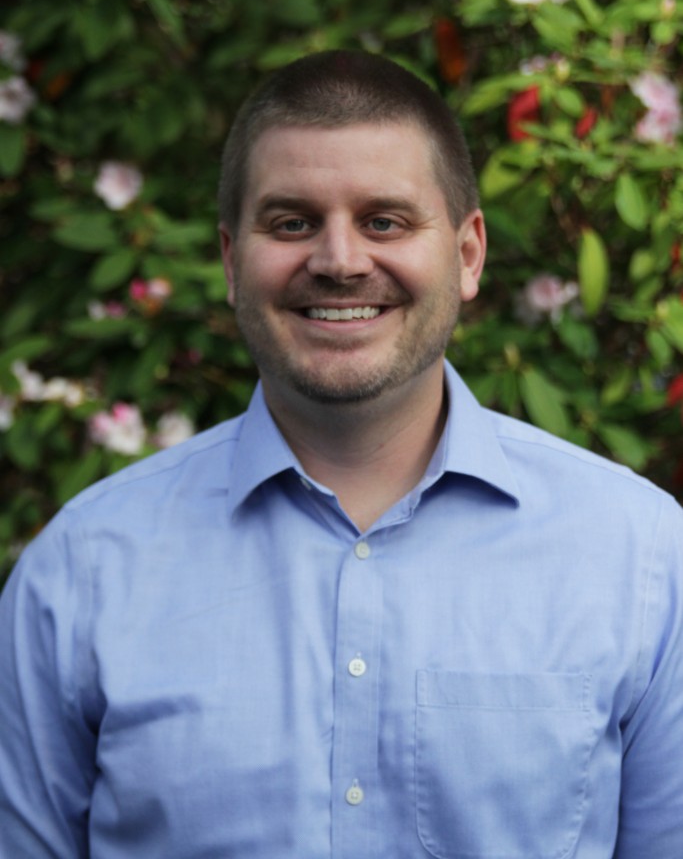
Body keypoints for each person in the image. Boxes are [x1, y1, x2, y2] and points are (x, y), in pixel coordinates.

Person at [0, 50, 681, 859]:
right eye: (291, 223)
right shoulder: (80, 571)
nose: (339, 261)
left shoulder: (640, 556)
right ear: (229, 259)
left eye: (384, 221)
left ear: (467, 255)